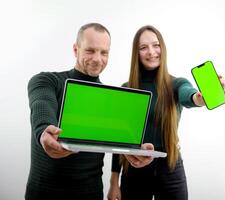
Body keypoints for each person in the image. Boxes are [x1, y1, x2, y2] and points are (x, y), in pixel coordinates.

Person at [25, 23, 153, 200]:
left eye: (104, 52)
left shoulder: (111, 99)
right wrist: (44, 131)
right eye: (90, 50)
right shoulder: (46, 81)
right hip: (44, 193)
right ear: (76, 49)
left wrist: (135, 153)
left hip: (90, 193)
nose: (97, 59)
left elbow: (118, 139)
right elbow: (41, 105)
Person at [107, 25, 225, 200]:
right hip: (134, 170)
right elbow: (119, 142)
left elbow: (189, 95)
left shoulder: (176, 84)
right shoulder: (127, 89)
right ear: (136, 53)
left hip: (171, 167)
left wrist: (200, 98)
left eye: (156, 45)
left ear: (162, 48)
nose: (151, 52)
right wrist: (113, 183)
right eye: (143, 47)